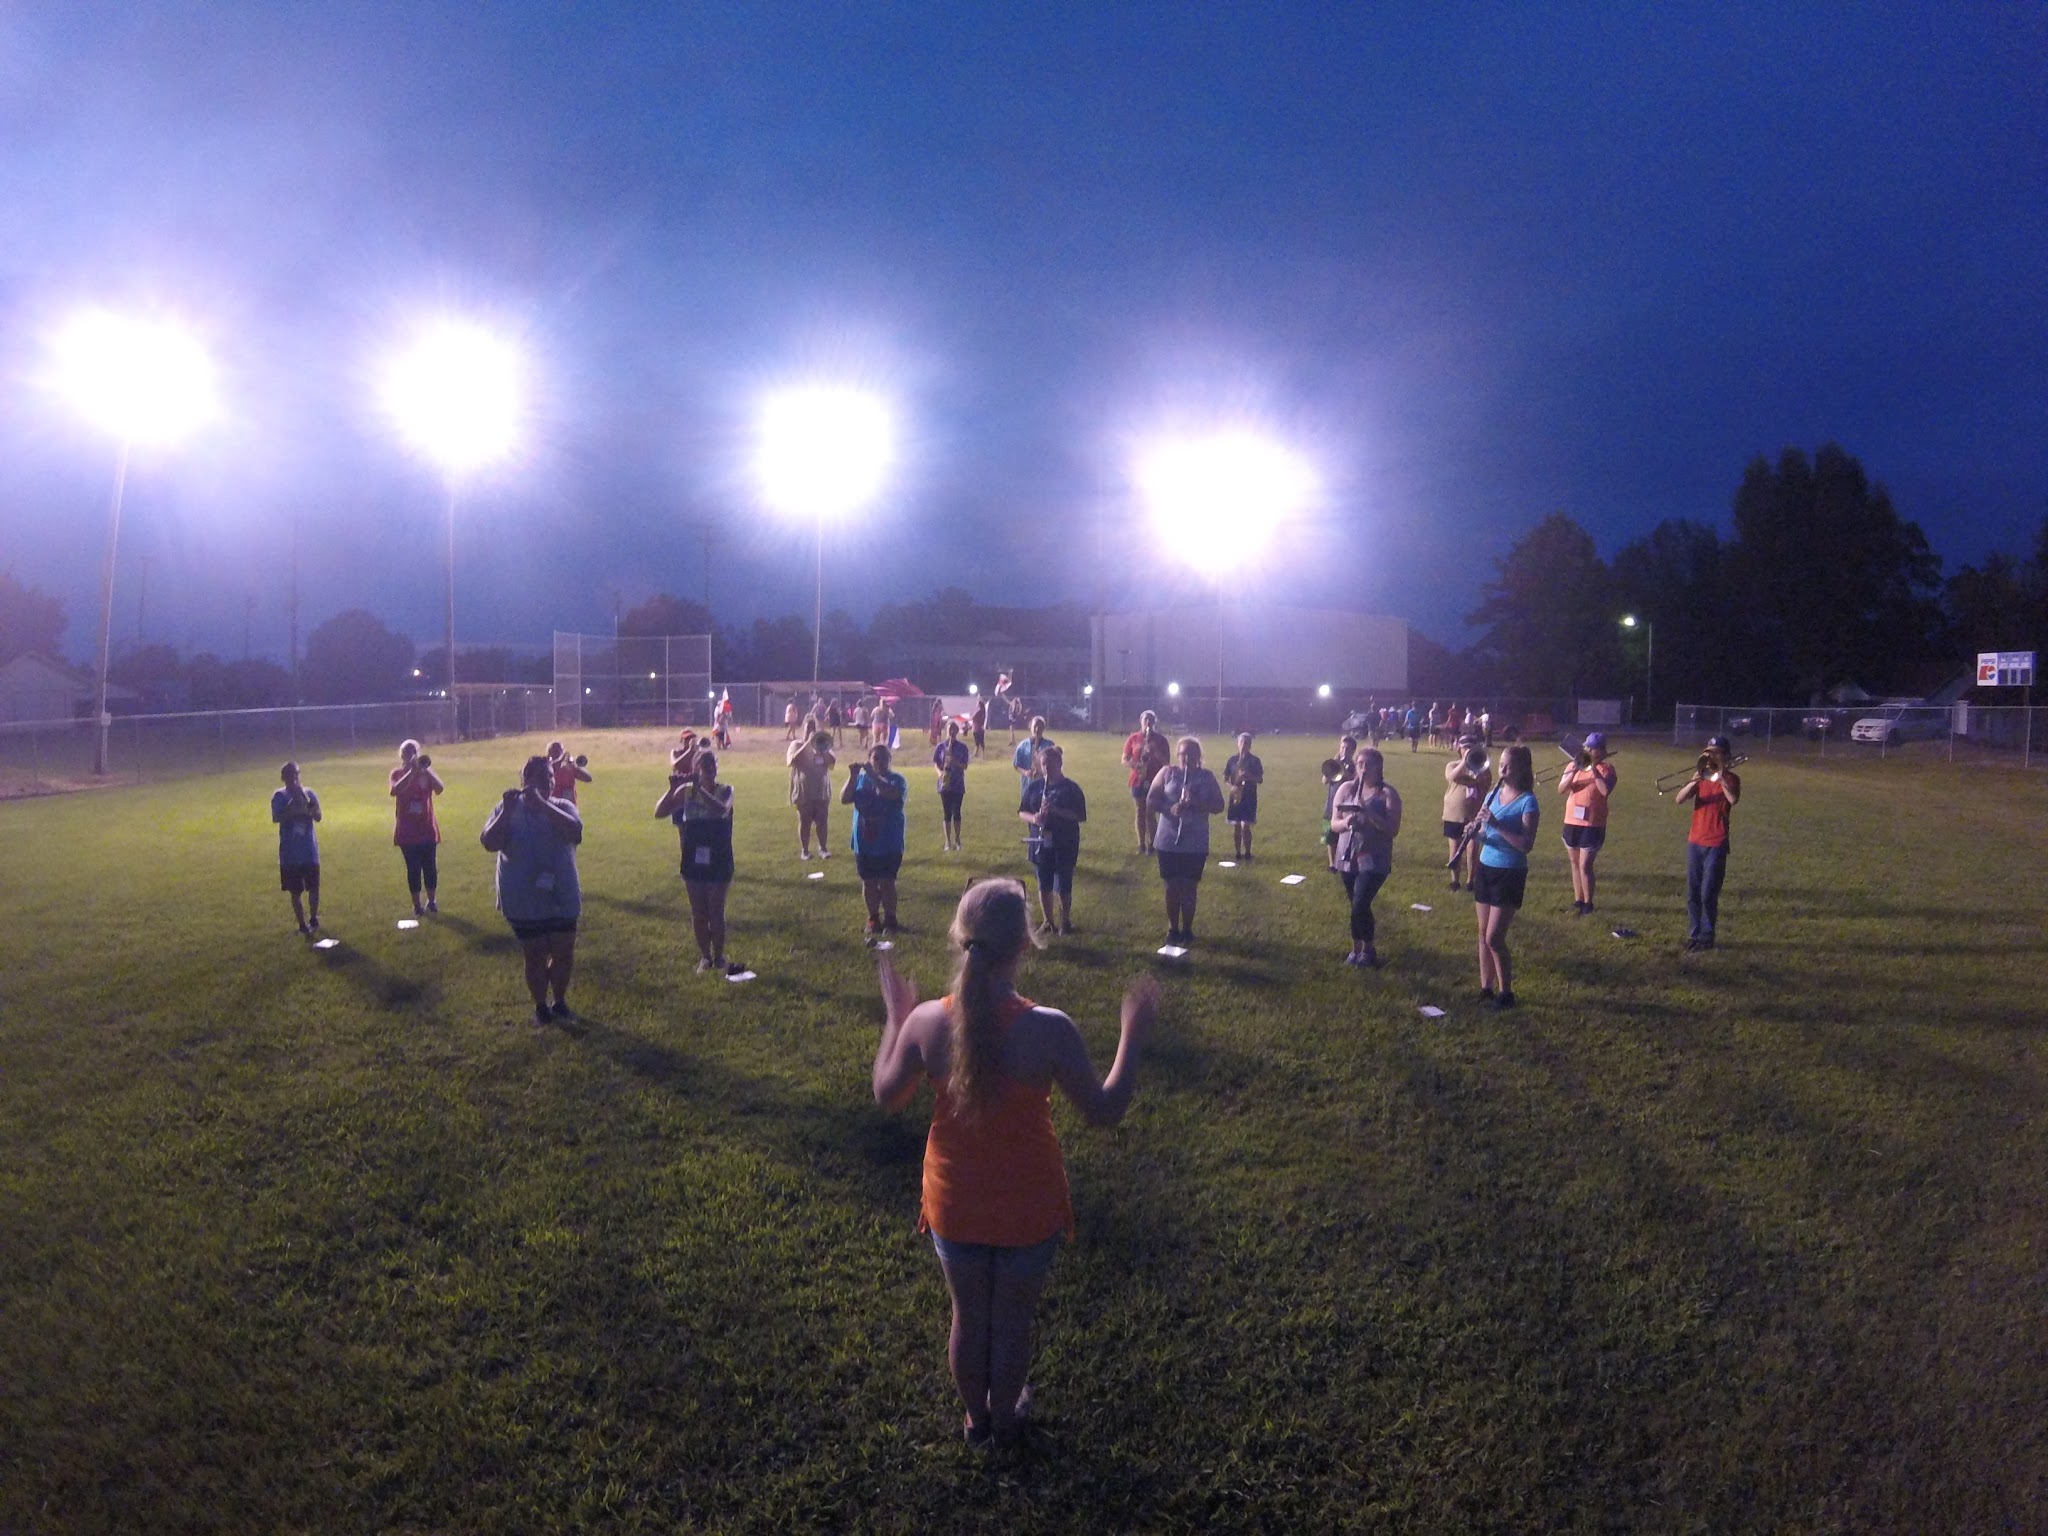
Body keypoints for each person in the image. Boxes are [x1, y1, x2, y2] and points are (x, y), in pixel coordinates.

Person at [870, 879, 1154, 1451]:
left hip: (955, 1203)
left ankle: (976, 1422)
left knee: (968, 1316)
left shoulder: (927, 1021)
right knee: (1012, 1321)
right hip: (1029, 1205)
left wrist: (896, 1019)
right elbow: (1104, 1110)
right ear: (1024, 944)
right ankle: (1005, 1420)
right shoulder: (1049, 1028)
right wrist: (1132, 1034)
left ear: (960, 936)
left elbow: (886, 1095)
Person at [480, 754, 584, 1025]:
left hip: (561, 894)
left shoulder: (563, 806)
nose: (548, 782)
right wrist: (506, 811)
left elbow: (576, 832)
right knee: (535, 954)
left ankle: (559, 1002)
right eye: (541, 777)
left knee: (563, 953)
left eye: (550, 776)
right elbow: (489, 842)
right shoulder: (506, 809)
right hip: (522, 898)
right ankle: (541, 1007)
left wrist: (544, 806)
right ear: (525, 781)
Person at [656, 738, 741, 974]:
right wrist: (672, 789)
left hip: (719, 857)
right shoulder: (686, 792)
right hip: (693, 857)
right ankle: (705, 957)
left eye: (712, 765)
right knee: (699, 913)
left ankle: (719, 956)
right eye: (705, 766)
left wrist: (699, 789)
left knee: (716, 911)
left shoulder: (726, 790)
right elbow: (659, 812)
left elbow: (721, 810)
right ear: (695, 769)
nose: (709, 770)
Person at [1471, 744, 1538, 1009]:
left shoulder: (1528, 801)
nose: (1502, 770)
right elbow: (1485, 834)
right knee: (1482, 933)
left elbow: (1525, 844)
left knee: (1494, 938)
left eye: (1508, 766)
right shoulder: (1492, 794)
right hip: (1486, 867)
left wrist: (1497, 825)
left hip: (1510, 872)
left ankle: (1506, 992)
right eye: (1500, 765)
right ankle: (1485, 987)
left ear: (1521, 769)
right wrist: (1474, 833)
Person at [1146, 736, 1226, 946]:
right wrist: (1169, 808)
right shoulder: (1167, 773)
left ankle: (1188, 929)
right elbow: (1151, 800)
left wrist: (1197, 803)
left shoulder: (1206, 777)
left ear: (1199, 756)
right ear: (1177, 755)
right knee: (1171, 887)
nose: (1186, 758)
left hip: (1195, 842)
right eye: (1183, 754)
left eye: (1191, 754)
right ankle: (1173, 928)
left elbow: (1219, 805)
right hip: (1168, 841)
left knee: (1190, 887)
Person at [1331, 746, 1403, 968]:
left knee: (1360, 903)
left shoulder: (1387, 794)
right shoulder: (1345, 789)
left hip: (1374, 859)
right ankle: (1356, 949)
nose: (1363, 769)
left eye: (1368, 765)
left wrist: (1367, 812)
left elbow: (1392, 829)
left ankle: (1369, 949)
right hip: (1347, 856)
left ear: (1378, 767)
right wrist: (1346, 823)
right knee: (1355, 904)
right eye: (1360, 764)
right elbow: (1333, 823)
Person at [1674, 735, 1741, 951]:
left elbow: (1733, 799)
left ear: (1725, 756)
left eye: (1715, 753)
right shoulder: (1701, 778)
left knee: (1708, 894)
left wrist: (1720, 776)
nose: (1711, 757)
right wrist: (1695, 779)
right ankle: (1694, 934)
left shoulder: (1731, 779)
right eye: (1708, 753)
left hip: (1716, 842)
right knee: (1693, 893)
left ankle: (1707, 936)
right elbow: (1679, 799)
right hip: (1695, 840)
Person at [1019, 743, 1087, 933]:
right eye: (1043, 765)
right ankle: (1048, 921)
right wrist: (1034, 818)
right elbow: (1022, 811)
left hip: (1064, 842)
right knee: (1044, 881)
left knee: (1063, 883)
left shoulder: (1071, 788)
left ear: (1060, 764)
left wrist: (1057, 811)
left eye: (1050, 764)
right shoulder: (1035, 787)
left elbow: (1079, 816)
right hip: (1040, 842)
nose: (1047, 769)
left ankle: (1065, 921)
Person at [843, 743, 908, 940]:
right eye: (876, 758)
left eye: (884, 758)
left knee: (887, 883)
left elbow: (891, 794)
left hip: (889, 841)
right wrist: (853, 776)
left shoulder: (897, 780)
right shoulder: (861, 780)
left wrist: (873, 776)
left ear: (890, 760)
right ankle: (873, 918)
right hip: (864, 842)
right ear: (869, 760)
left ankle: (890, 919)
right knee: (869, 882)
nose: (880, 762)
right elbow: (844, 798)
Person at [1556, 731, 1617, 915]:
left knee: (1585, 866)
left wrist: (1593, 769)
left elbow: (1604, 791)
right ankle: (1578, 900)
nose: (1588, 751)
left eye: (1592, 748)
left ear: (1601, 751)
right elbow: (1561, 789)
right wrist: (1575, 770)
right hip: (1571, 820)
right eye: (1587, 747)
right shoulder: (1572, 765)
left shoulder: (1608, 770)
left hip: (1592, 824)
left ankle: (1588, 903)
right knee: (1574, 864)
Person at [389, 738, 445, 916]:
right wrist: (411, 773)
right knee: (413, 868)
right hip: (407, 831)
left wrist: (425, 770)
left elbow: (440, 788)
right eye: (407, 751)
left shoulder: (426, 773)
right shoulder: (397, 773)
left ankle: (432, 901)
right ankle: (417, 905)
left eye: (414, 751)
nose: (411, 754)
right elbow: (395, 790)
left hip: (427, 828)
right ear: (402, 755)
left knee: (430, 867)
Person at [272, 760, 323, 935]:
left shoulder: (308, 793)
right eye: (289, 775)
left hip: (309, 850)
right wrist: (292, 804)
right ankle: (302, 924)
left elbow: (318, 816)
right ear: (283, 778)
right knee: (295, 891)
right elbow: (277, 817)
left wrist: (306, 802)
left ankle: (314, 918)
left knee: (314, 887)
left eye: (295, 774)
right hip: (290, 853)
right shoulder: (279, 796)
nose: (293, 778)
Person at [1442, 740, 1492, 893]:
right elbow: (1452, 776)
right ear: (1460, 749)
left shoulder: (1482, 766)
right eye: (1465, 747)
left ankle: (1471, 881)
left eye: (1471, 747)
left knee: (1473, 849)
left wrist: (1476, 771)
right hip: (1454, 813)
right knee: (1455, 848)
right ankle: (1455, 881)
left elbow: (1485, 784)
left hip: (1474, 815)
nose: (1468, 749)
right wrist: (1465, 762)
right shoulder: (1452, 765)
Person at [1121, 710, 1171, 854]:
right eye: (1145, 720)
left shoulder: (1161, 740)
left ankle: (1152, 844)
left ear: (1154, 722)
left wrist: (1155, 751)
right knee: (1140, 811)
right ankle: (1141, 844)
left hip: (1155, 781)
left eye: (1151, 720)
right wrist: (1135, 765)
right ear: (1141, 721)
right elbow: (1125, 758)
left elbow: (1167, 762)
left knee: (1150, 812)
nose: (1148, 723)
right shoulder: (1134, 738)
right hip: (1138, 779)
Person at [781, 727, 835, 860]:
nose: (811, 731)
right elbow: (793, 760)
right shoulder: (796, 744)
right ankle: (805, 851)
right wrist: (808, 744)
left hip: (821, 790)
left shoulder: (823, 745)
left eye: (813, 728)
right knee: (805, 821)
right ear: (803, 729)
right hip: (803, 791)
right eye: (808, 728)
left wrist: (823, 749)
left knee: (822, 820)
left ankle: (823, 848)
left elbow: (832, 762)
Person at [1222, 730, 1264, 861]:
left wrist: (1248, 776)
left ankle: (1248, 852)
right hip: (1235, 796)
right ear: (1238, 743)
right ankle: (1237, 853)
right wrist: (1232, 787)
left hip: (1249, 796)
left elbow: (1260, 779)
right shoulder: (1232, 760)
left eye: (1246, 743)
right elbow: (1225, 778)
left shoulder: (1255, 761)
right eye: (1241, 742)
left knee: (1245, 825)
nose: (1243, 745)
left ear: (1250, 745)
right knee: (1236, 825)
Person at [1322, 734, 1359, 870]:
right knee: (1329, 836)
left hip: (1346, 807)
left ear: (1353, 751)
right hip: (1330, 805)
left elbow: (1355, 782)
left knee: (1344, 835)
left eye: (1347, 749)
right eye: (1342, 747)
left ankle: (1344, 860)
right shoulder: (1335, 764)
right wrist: (1333, 767)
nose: (1344, 751)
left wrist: (1344, 771)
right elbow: (1324, 781)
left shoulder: (1355, 766)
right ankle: (1332, 864)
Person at [934, 718, 971, 852]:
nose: (952, 733)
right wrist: (940, 773)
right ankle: (947, 841)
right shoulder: (941, 747)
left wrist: (955, 762)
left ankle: (958, 840)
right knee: (947, 812)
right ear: (946, 731)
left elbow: (965, 765)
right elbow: (936, 763)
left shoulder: (962, 747)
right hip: (945, 783)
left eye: (954, 730)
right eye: (950, 730)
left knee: (957, 812)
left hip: (957, 783)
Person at [1012, 716, 1054, 796]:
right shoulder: (1023, 745)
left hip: (1044, 787)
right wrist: (1025, 772)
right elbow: (1016, 764)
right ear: (1030, 727)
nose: (1037, 729)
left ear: (1043, 728)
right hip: (1027, 787)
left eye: (1040, 727)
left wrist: (1043, 772)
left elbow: (1054, 765)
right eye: (1035, 726)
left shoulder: (1049, 745)